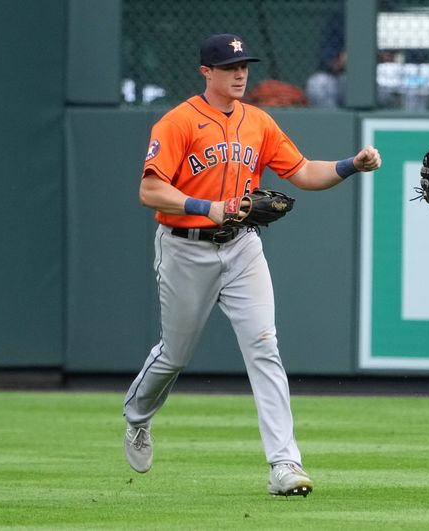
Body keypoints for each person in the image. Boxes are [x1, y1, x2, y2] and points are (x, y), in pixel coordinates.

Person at [122, 33, 382, 497]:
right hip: (185, 247)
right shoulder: (176, 122)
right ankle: (138, 417)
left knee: (265, 348)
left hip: (242, 246)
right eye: (229, 67)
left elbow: (301, 172)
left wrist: (350, 165)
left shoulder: (257, 122)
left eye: (244, 66)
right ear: (207, 72)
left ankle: (285, 464)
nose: (240, 74)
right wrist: (209, 207)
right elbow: (150, 191)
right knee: (174, 356)